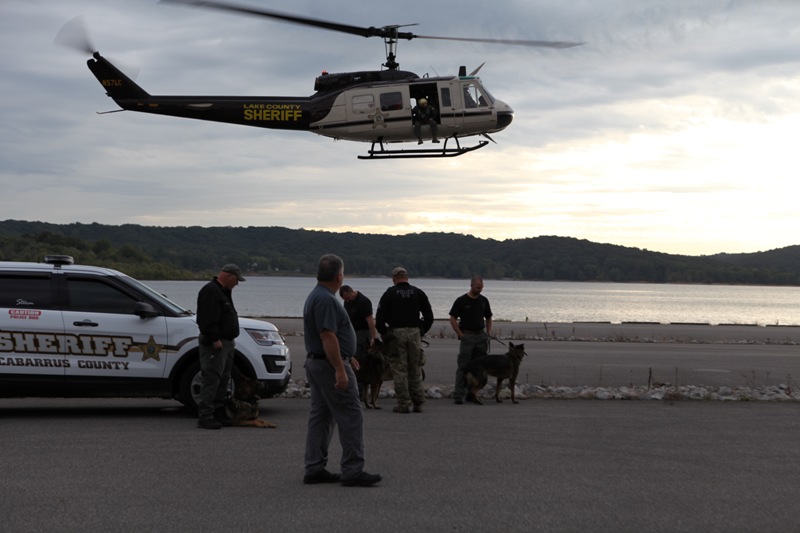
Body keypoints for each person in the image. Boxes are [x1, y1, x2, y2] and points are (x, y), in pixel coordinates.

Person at [303, 254, 381, 487]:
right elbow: (327, 335)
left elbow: (331, 337)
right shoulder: (326, 300)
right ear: (339, 276)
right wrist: (339, 368)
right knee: (351, 414)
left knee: (321, 416)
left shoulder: (316, 295)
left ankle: (314, 467)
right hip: (327, 365)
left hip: (319, 362)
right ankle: (353, 470)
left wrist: (348, 356)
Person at [375, 266, 434, 413]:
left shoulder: (389, 294)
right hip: (414, 332)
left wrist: (385, 334)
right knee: (415, 368)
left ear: (394, 279)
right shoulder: (418, 293)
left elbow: (379, 319)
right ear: (407, 278)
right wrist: (421, 331)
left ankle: (403, 403)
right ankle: (418, 402)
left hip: (396, 333)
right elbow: (429, 316)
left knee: (399, 369)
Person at [195, 263, 246, 429]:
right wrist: (214, 338)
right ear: (229, 276)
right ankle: (205, 415)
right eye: (236, 280)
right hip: (216, 343)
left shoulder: (223, 292)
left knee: (223, 379)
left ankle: (218, 412)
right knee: (212, 378)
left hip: (227, 342)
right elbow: (206, 319)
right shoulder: (211, 291)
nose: (237, 283)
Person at [449, 275, 493, 404]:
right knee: (463, 366)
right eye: (477, 287)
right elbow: (452, 319)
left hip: (481, 336)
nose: (479, 290)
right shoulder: (461, 300)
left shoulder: (484, 301)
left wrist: (488, 333)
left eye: (481, 287)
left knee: (480, 367)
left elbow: (489, 317)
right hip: (467, 336)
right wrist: (461, 335)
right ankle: (458, 395)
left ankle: (472, 394)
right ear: (471, 285)